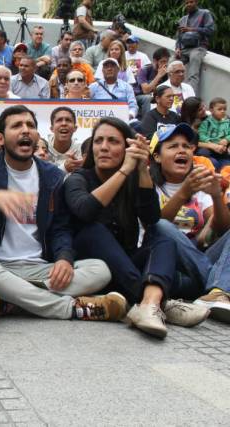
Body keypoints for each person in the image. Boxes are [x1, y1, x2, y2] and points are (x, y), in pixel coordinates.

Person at [0, 104, 121, 323]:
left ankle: (12, 298)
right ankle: (71, 308)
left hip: (41, 269)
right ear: (0, 139)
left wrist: (64, 259)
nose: (25, 130)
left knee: (101, 270)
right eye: (17, 125)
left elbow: (60, 226)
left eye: (30, 125)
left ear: (38, 135)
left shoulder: (52, 176)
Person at [65, 117, 203, 338]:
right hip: (91, 267)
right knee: (94, 231)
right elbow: (85, 210)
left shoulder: (134, 177)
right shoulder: (78, 178)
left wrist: (141, 169)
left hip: (126, 264)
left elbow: (151, 218)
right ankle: (157, 303)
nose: (104, 147)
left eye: (113, 141)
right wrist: (124, 170)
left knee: (162, 234)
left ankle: (148, 306)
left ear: (127, 148)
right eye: (98, 141)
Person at [147, 123, 225, 320]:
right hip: (166, 262)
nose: (182, 150)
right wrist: (184, 193)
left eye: (186, 146)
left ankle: (214, 289)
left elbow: (222, 228)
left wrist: (216, 196)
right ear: (156, 156)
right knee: (162, 226)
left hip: (196, 257)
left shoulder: (198, 183)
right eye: (173, 146)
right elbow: (153, 225)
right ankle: (217, 285)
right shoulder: (147, 183)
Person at [175, 0, 214, 95]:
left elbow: (210, 30)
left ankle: (190, 99)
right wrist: (177, 48)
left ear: (196, 2)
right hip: (184, 49)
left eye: (191, 2)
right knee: (172, 65)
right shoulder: (183, 19)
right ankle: (172, 93)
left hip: (198, 47)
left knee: (193, 73)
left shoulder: (205, 13)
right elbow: (178, 36)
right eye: (187, 3)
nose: (189, 4)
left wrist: (192, 29)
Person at [46, 107, 83, 174]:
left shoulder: (81, 151)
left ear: (75, 128)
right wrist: (64, 168)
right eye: (59, 120)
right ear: (52, 128)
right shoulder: (43, 149)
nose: (64, 124)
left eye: (68, 120)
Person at [136, 47, 170, 118]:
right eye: (162, 61)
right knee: (148, 98)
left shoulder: (166, 73)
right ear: (155, 61)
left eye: (166, 62)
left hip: (156, 96)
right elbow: (145, 90)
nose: (165, 64)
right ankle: (147, 121)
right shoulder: (144, 70)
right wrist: (158, 76)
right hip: (140, 96)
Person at [198, 98, 230, 170]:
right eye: (219, 109)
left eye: (224, 109)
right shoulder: (206, 122)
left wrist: (226, 139)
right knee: (203, 153)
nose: (223, 111)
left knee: (226, 165)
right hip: (209, 149)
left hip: (223, 150)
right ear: (211, 110)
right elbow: (201, 134)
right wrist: (209, 142)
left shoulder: (227, 122)